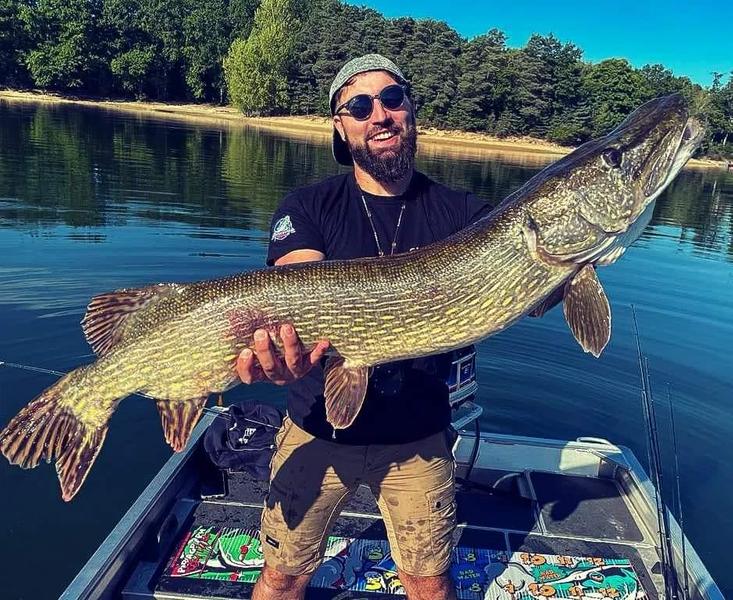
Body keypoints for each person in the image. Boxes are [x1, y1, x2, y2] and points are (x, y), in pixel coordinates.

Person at [236, 54, 492, 600]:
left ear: (411, 110)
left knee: (429, 583)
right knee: (282, 577)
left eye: (392, 99)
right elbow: (296, 283)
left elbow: (537, 294)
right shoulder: (308, 205)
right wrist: (287, 346)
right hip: (315, 429)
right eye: (359, 105)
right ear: (340, 125)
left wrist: (573, 267)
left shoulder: (465, 213)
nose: (379, 114)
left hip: (417, 436)